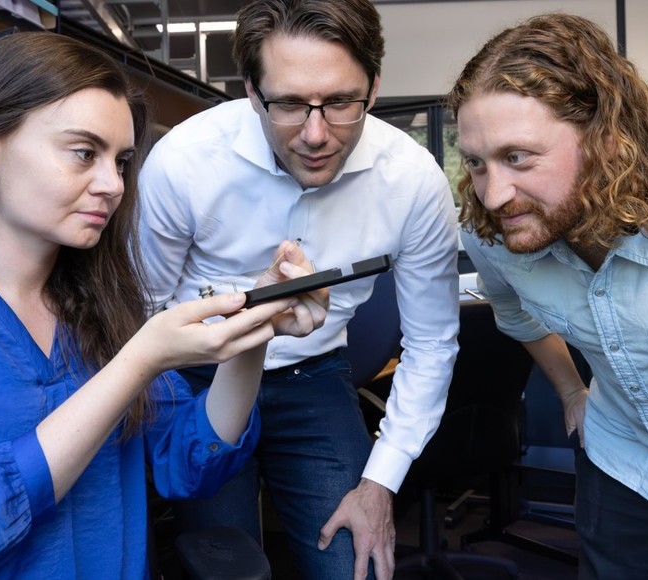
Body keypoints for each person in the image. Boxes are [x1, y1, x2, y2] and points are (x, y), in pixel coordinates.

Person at [0, 31, 329, 579]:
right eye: (84, 153)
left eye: (122, 161)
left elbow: (189, 462)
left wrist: (255, 329)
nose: (112, 184)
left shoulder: (94, 295)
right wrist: (137, 363)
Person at [137, 0, 460, 578]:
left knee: (354, 565)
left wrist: (380, 483)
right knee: (221, 567)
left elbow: (433, 344)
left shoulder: (413, 182)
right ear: (252, 93)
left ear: (374, 87)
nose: (316, 135)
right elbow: (143, 309)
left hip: (315, 375)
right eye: (288, 103)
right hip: (202, 374)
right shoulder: (184, 161)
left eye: (340, 102)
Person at [449, 12, 648, 580]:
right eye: (477, 162)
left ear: (607, 138)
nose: (495, 193)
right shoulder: (494, 233)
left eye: (518, 157)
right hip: (621, 458)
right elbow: (514, 313)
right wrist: (572, 390)